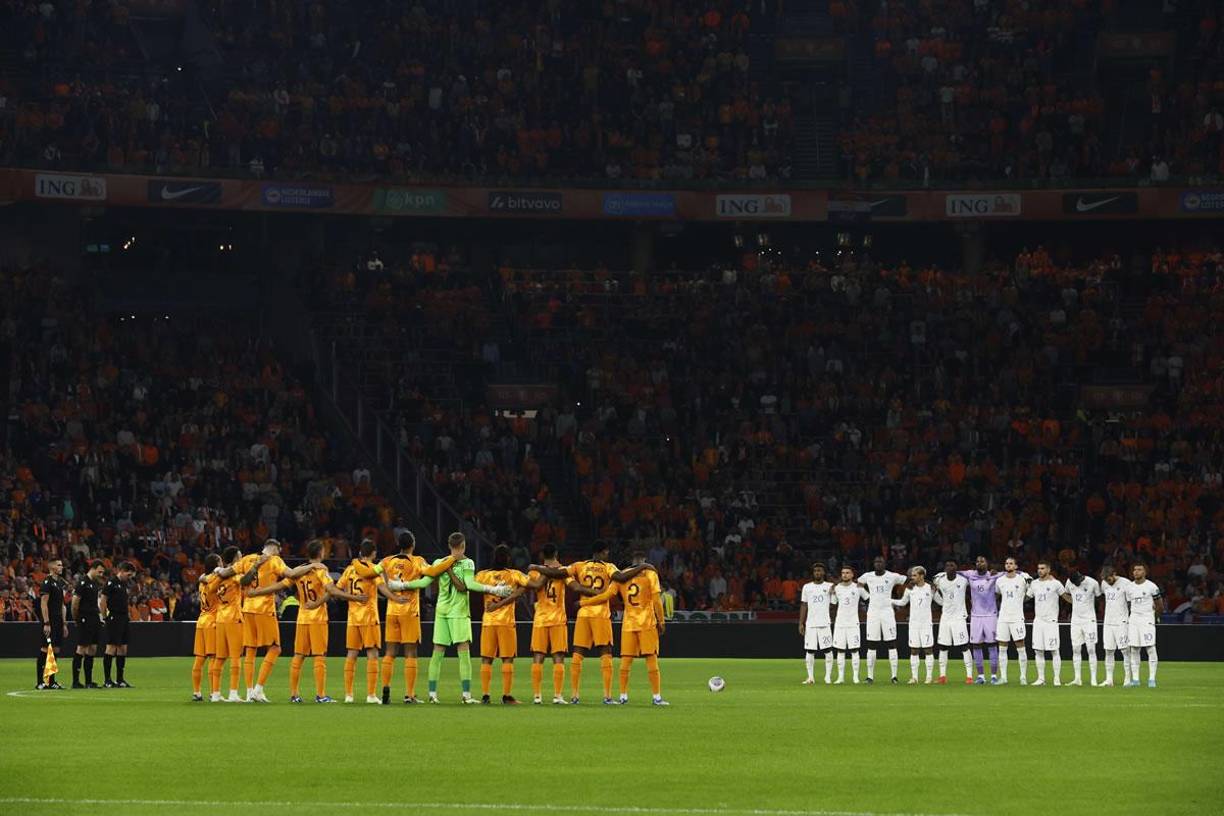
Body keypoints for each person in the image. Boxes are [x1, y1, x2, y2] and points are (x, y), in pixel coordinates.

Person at [534, 542, 652, 704]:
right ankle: (607, 696)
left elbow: (557, 573)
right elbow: (621, 577)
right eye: (606, 552)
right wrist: (643, 566)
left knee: (578, 653)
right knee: (605, 652)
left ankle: (574, 695)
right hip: (600, 613)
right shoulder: (608, 567)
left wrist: (535, 567)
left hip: (583, 614)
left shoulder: (580, 565)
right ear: (602, 553)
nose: (607, 555)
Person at [247, 540, 363, 703]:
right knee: (319, 656)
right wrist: (353, 597)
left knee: (298, 656)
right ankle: (321, 695)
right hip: (318, 619)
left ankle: (294, 695)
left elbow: (280, 585)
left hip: (302, 618)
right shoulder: (321, 570)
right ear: (321, 553)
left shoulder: (299, 571)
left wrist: (258, 592)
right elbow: (331, 590)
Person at [219, 539, 320, 703]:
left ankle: (249, 692)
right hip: (264, 610)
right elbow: (292, 574)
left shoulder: (247, 559)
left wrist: (215, 570)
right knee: (275, 648)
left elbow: (224, 574)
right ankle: (258, 689)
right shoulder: (274, 561)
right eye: (279, 550)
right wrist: (311, 566)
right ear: (275, 548)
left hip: (247, 609)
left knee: (250, 650)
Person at [425, 532, 511, 704]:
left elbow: (426, 579)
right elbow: (468, 586)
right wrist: (495, 590)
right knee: (463, 652)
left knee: (437, 653)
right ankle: (466, 695)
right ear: (463, 546)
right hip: (458, 612)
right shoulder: (467, 562)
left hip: (441, 612)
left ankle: (433, 694)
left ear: (449, 546)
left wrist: (399, 585)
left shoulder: (438, 562)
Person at [580, 549, 667, 705]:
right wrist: (661, 621)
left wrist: (585, 602)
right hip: (647, 622)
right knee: (651, 659)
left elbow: (606, 596)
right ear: (644, 559)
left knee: (626, 660)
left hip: (628, 623)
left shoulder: (622, 576)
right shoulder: (650, 573)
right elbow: (656, 600)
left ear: (632, 559)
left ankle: (623, 696)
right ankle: (656, 697)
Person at [377, 532, 456, 704]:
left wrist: (392, 595)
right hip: (409, 612)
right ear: (412, 544)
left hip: (392, 611)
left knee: (390, 653)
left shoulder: (387, 561)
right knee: (410, 653)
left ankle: (386, 689)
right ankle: (409, 694)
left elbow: (378, 578)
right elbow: (433, 571)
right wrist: (450, 559)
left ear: (399, 544)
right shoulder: (417, 561)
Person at [522, 544, 597, 704]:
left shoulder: (535, 571)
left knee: (538, 656)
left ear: (542, 555)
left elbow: (531, 586)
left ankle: (537, 696)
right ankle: (557, 696)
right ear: (556, 553)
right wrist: (596, 592)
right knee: (558, 656)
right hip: (557, 619)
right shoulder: (564, 572)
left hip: (540, 618)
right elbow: (575, 587)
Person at [336, 539, 401, 703]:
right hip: (369, 618)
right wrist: (395, 598)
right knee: (372, 654)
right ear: (373, 553)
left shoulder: (350, 569)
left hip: (352, 618)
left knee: (351, 654)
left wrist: (351, 597)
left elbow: (337, 590)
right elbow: (383, 588)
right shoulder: (372, 569)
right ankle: (371, 695)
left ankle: (348, 695)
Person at [473, 544, 531, 704]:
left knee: (486, 659)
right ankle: (506, 696)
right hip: (506, 622)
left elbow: (470, 585)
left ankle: (485, 695)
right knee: (507, 659)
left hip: (489, 621)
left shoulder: (483, 575)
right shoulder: (514, 575)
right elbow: (528, 585)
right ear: (508, 558)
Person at [856, 555, 906, 683]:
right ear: (874, 564)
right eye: (876, 561)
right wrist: (867, 597)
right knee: (872, 644)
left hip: (887, 612)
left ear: (885, 563)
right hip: (873, 613)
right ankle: (870, 676)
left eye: (881, 561)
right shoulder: (868, 576)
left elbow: (907, 580)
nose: (878, 563)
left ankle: (894, 676)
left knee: (892, 643)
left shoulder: (892, 576)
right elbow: (858, 584)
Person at [209, 547, 245, 702]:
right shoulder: (235, 576)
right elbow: (246, 581)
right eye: (240, 556)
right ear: (236, 559)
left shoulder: (219, 577)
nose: (242, 558)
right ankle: (233, 693)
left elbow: (210, 587)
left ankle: (216, 694)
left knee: (220, 657)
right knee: (236, 656)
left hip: (220, 618)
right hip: (234, 618)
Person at [960, 555, 1001, 684]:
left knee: (992, 644)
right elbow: (954, 572)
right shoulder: (970, 574)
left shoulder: (993, 575)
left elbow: (1010, 573)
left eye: (982, 561)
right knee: (976, 645)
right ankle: (981, 676)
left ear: (987, 563)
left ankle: (994, 676)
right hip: (976, 616)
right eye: (977, 561)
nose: (979, 563)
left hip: (990, 615)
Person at [932, 560, 974, 684]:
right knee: (943, 647)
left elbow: (974, 575)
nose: (949, 567)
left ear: (957, 568)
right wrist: (942, 602)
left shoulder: (963, 580)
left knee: (964, 646)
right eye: (947, 565)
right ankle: (942, 676)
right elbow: (933, 592)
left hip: (959, 618)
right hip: (945, 618)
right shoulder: (939, 580)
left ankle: (969, 676)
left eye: (952, 565)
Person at [892, 566, 934, 684]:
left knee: (928, 650)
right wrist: (889, 601)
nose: (912, 577)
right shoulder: (909, 588)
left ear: (921, 576)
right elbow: (903, 602)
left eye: (915, 575)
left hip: (926, 623)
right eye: (912, 575)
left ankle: (929, 677)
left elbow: (939, 600)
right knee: (914, 650)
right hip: (913, 624)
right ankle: (914, 677)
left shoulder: (930, 588)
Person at [1124, 563, 1163, 688]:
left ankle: (1152, 679)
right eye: (1134, 569)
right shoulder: (1129, 588)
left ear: (1145, 572)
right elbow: (1129, 604)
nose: (1136, 572)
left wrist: (1155, 616)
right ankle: (1135, 679)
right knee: (1134, 649)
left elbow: (1160, 605)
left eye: (1139, 569)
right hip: (1134, 619)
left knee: (1150, 648)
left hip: (1147, 619)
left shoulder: (1152, 586)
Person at [1026, 561, 1065, 686]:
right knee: (1038, 650)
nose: (1039, 570)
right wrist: (1023, 586)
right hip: (1038, 621)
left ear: (1048, 569)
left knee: (1054, 650)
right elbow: (1026, 597)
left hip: (1051, 622)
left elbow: (1066, 597)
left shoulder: (1056, 583)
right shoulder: (1034, 584)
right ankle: (1041, 679)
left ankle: (1057, 678)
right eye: (1038, 568)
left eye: (1042, 568)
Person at [994, 557, 1031, 685]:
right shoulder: (999, 581)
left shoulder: (1022, 579)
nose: (1008, 565)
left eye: (1011, 563)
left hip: (1017, 618)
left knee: (1020, 647)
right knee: (1002, 648)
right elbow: (997, 595)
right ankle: (1003, 677)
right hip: (1003, 617)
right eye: (1006, 563)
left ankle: (1023, 677)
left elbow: (1030, 592)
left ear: (1016, 566)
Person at [1063, 570, 1102, 686]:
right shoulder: (1069, 583)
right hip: (1075, 620)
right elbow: (1067, 595)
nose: (1076, 584)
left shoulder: (1093, 583)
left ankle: (1093, 679)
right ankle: (1077, 678)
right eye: (1074, 583)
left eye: (1077, 582)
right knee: (1076, 649)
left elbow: (1099, 598)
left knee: (1091, 649)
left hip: (1089, 620)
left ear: (1081, 578)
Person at [100, 561, 135, 688]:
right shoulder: (111, 583)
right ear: (122, 571)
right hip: (114, 617)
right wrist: (104, 617)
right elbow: (103, 601)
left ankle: (120, 679)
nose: (129, 577)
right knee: (111, 647)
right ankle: (107, 679)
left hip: (124, 618)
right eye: (129, 574)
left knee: (123, 648)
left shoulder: (123, 584)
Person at [798, 562, 835, 685]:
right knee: (810, 650)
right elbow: (804, 605)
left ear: (823, 572)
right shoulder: (807, 587)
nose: (817, 573)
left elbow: (834, 604)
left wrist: (833, 593)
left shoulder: (830, 586)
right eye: (815, 571)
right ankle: (810, 677)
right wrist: (801, 623)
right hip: (811, 624)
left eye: (819, 570)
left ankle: (828, 677)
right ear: (813, 573)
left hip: (824, 623)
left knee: (828, 650)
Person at [831, 566, 868, 684]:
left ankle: (855, 677)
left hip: (853, 623)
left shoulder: (858, 587)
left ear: (852, 575)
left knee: (854, 650)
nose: (845, 575)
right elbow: (833, 604)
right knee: (840, 650)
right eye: (843, 573)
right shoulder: (836, 588)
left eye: (847, 573)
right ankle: (840, 677)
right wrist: (831, 592)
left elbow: (869, 600)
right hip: (840, 623)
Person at [71, 560, 105, 689]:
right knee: (82, 648)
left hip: (94, 618)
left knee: (92, 649)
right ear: (93, 569)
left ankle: (89, 681)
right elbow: (75, 603)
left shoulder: (94, 584)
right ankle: (75, 681)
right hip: (85, 618)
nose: (101, 574)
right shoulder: (83, 583)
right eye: (100, 571)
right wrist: (77, 619)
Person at [191, 554, 221, 701]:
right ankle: (213, 692)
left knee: (199, 658)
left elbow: (202, 577)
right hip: (212, 621)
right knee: (213, 658)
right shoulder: (214, 580)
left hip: (201, 620)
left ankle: (196, 692)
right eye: (220, 561)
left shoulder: (202, 582)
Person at [1100, 564, 1133, 686]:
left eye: (1108, 579)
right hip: (1108, 622)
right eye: (1104, 580)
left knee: (1125, 650)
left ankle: (1128, 679)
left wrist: (1130, 619)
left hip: (1121, 622)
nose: (1107, 582)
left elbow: (1131, 602)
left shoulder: (1126, 583)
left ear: (1114, 574)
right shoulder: (1104, 584)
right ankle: (1109, 680)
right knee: (1108, 651)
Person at [37, 557, 67, 690]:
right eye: (59, 565)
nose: (61, 567)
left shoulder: (60, 583)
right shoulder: (47, 582)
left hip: (59, 621)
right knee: (45, 649)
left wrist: (64, 623)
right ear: (52, 567)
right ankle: (40, 681)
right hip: (50, 621)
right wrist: (46, 622)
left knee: (55, 650)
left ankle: (51, 680)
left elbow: (62, 605)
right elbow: (43, 603)